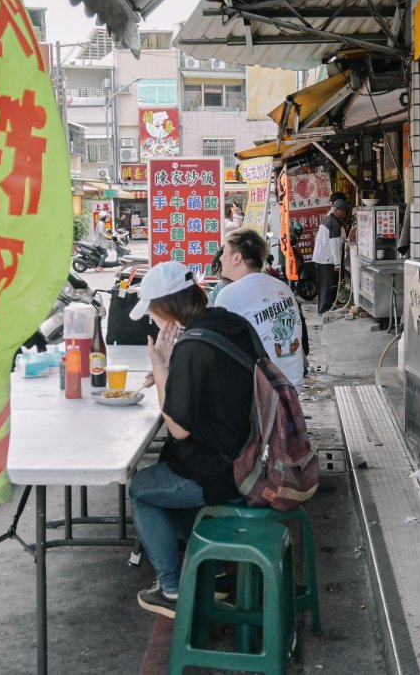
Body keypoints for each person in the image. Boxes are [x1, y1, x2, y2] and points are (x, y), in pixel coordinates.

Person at [127, 260, 263, 618]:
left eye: (152, 312)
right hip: (251, 453)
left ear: (166, 307)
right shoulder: (231, 323)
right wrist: (172, 368)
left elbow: (178, 428)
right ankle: (215, 571)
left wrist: (160, 367)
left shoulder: (192, 346)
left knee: (142, 487)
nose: (152, 320)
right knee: (169, 469)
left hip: (223, 471)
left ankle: (171, 588)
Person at [215, 228, 305, 391]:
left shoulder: (228, 294)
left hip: (263, 394)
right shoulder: (282, 287)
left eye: (224, 252)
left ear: (237, 257)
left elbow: (216, 351)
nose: (220, 257)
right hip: (292, 387)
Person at [312, 198, 349, 314]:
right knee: (326, 285)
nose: (345, 214)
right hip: (325, 259)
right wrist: (337, 264)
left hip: (322, 257)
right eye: (344, 211)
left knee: (326, 284)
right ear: (338, 211)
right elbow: (335, 246)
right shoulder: (334, 224)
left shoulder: (329, 219)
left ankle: (328, 305)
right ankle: (323, 309)